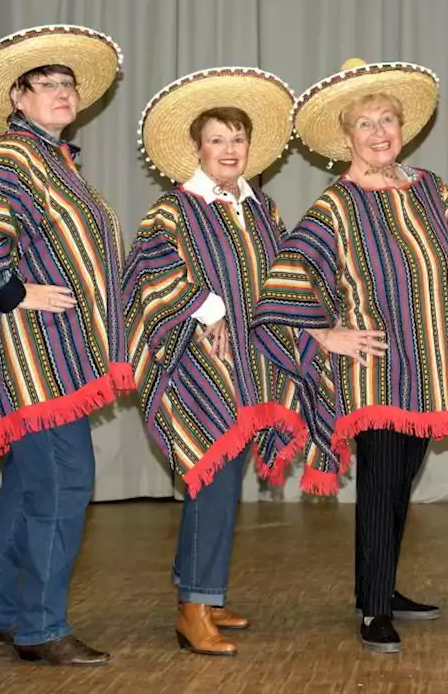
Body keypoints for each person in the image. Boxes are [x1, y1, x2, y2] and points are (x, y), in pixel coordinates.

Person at [252, 58, 448, 654]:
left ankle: (378, 588)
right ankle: (375, 611)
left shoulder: (436, 192)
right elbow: (282, 291)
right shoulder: (336, 207)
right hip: (372, 369)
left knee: (401, 483)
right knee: (379, 485)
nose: (379, 133)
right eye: (365, 124)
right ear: (345, 137)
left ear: (403, 128)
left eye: (388, 120)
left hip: (428, 368)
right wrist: (326, 335)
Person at [0, 25, 129, 666]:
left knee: (28, 486)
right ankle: (41, 628)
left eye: (67, 83)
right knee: (66, 482)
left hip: (60, 354)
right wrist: (13, 293)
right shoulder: (8, 161)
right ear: (17, 100)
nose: (62, 91)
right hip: (32, 359)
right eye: (45, 84)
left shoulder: (57, 164)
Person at [124, 67, 319, 656]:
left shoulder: (263, 210)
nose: (229, 150)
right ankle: (192, 610)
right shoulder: (172, 209)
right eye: (217, 140)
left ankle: (202, 593)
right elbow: (147, 273)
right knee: (210, 475)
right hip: (195, 364)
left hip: (247, 365)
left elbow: (277, 278)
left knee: (222, 479)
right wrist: (206, 309)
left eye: (238, 139)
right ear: (197, 148)